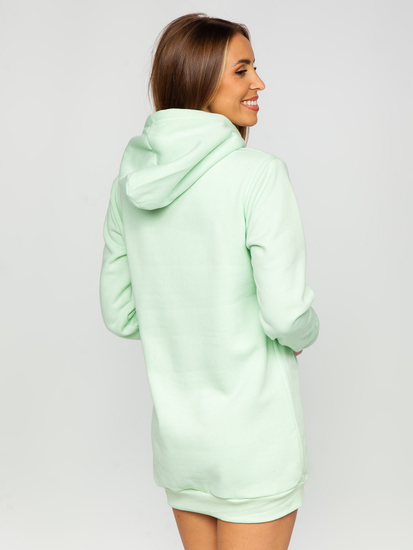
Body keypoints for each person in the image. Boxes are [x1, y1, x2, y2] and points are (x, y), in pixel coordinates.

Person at [99, 12, 320, 550]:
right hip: (255, 444)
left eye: (254, 67)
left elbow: (120, 313)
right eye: (242, 70)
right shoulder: (258, 175)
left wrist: (183, 322)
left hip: (183, 446)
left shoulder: (130, 185)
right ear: (198, 80)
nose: (258, 82)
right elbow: (286, 313)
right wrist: (305, 334)